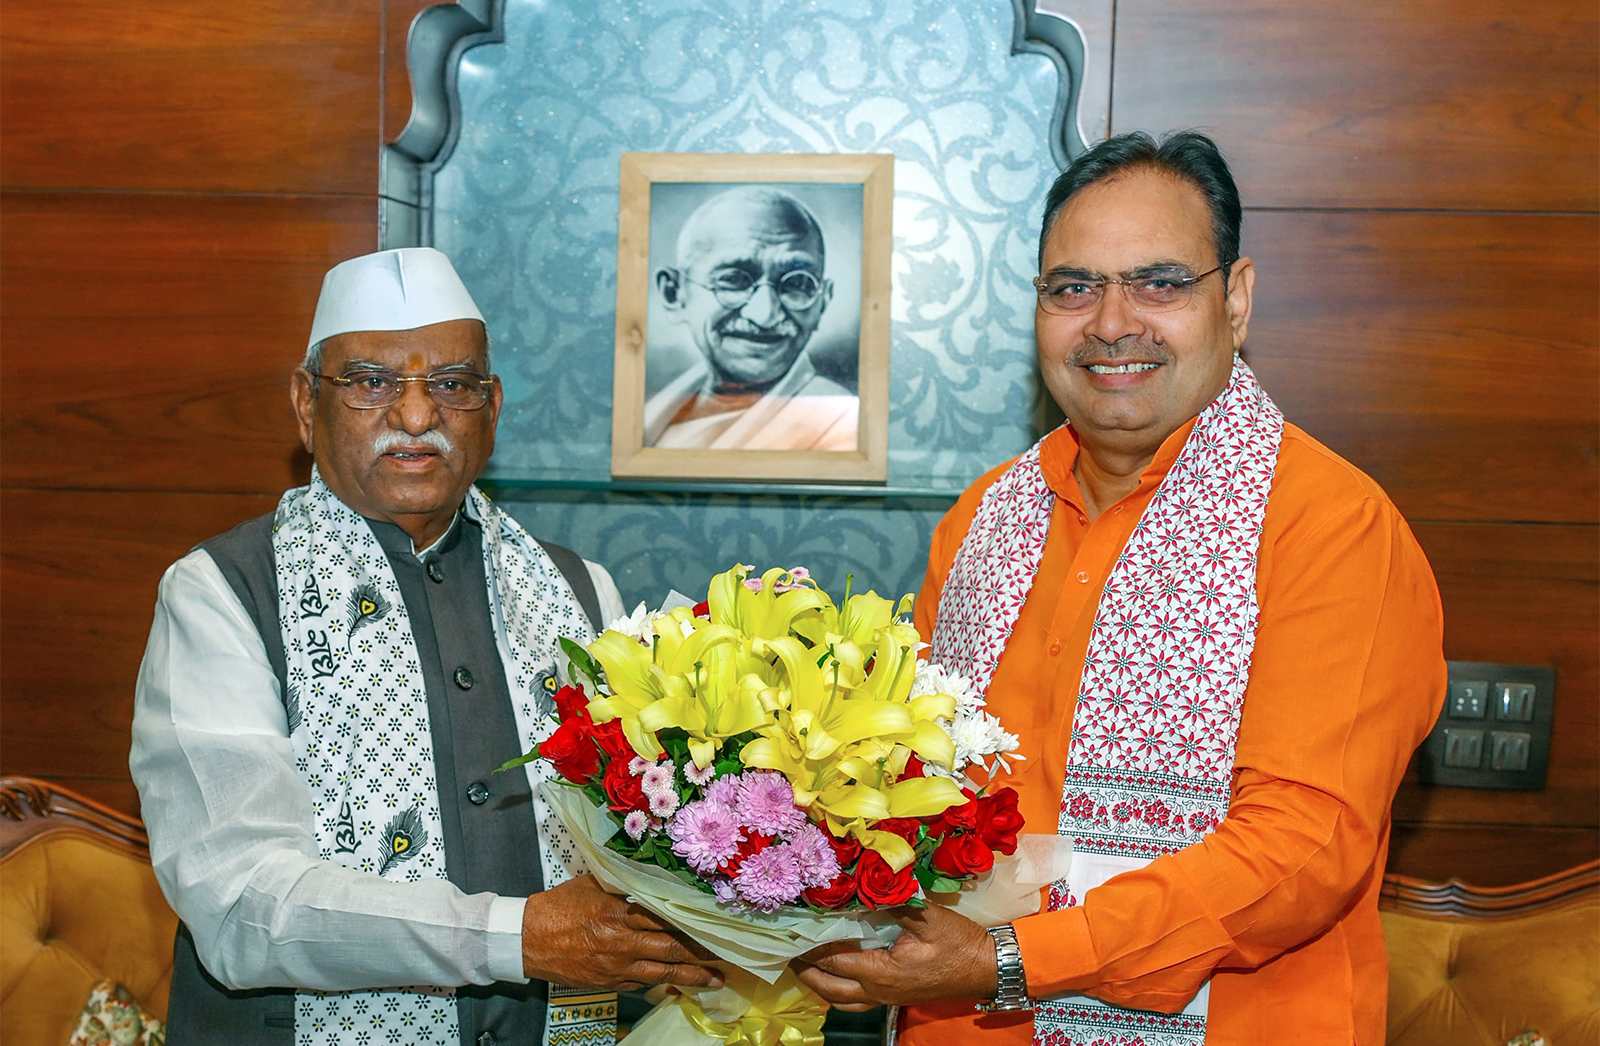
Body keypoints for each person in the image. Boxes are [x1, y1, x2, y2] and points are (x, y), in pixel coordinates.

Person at [794, 132, 1447, 1044]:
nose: (1110, 322)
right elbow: (913, 787)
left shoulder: (1328, 526)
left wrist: (1018, 960)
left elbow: (1304, 847)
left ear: (1239, 299)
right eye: (1073, 287)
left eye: (1161, 283)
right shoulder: (982, 519)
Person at [130, 248, 720, 1046]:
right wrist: (522, 937)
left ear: (493, 405)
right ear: (307, 404)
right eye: (371, 381)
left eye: (452, 384)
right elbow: (240, 904)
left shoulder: (581, 593)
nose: (415, 416)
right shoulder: (221, 593)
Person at [643, 186, 858, 451]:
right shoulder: (650, 417)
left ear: (822, 302)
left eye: (797, 283)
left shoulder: (840, 427)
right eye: (734, 280)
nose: (765, 315)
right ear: (673, 294)